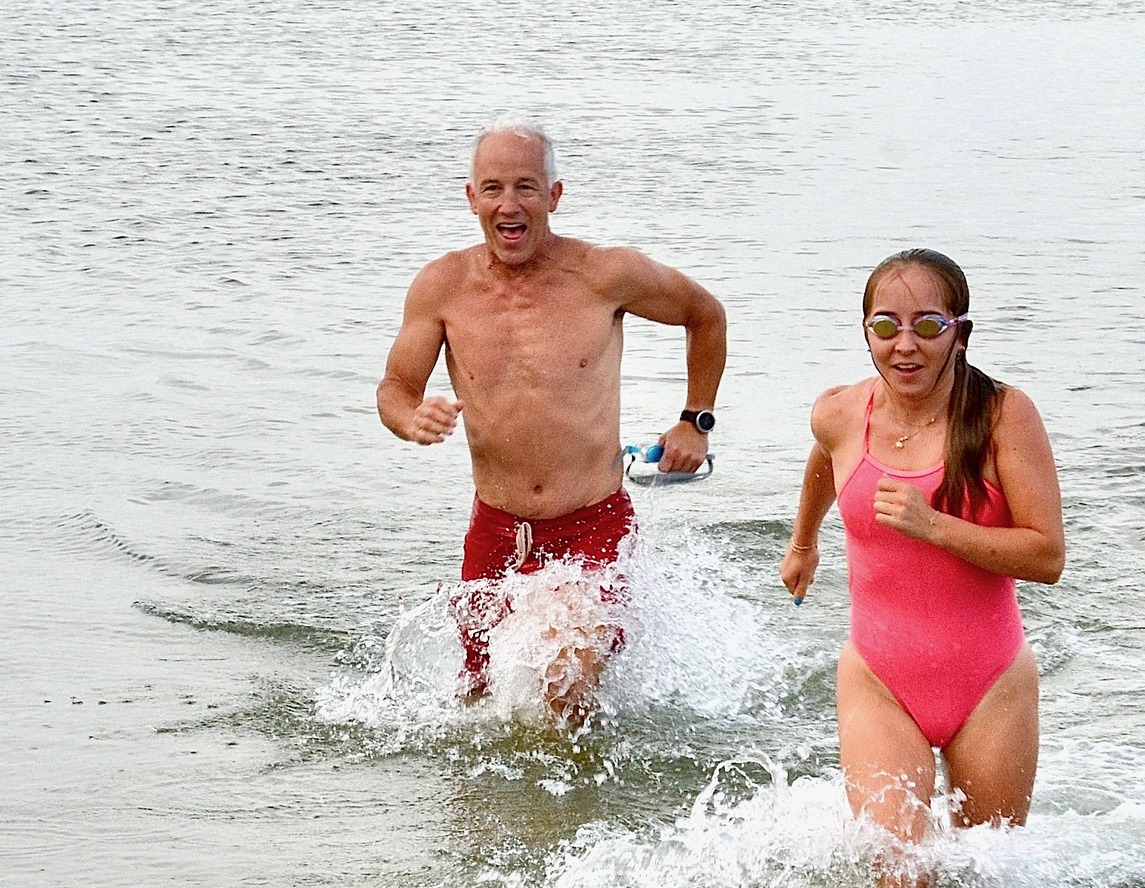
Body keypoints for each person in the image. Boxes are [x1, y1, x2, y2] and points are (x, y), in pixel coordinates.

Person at [377, 120, 727, 722]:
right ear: (470, 197)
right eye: (492, 189)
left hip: (591, 529)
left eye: (526, 188)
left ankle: (578, 813)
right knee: (480, 708)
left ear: (554, 195)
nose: (508, 206)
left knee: (562, 683)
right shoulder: (442, 287)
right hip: (494, 535)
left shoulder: (604, 275)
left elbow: (706, 314)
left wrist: (694, 421)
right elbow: (395, 388)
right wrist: (411, 419)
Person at [781, 249, 1064, 845]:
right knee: (896, 876)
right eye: (885, 326)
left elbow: (1047, 556)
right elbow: (823, 460)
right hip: (880, 678)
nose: (904, 345)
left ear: (960, 334)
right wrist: (803, 542)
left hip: (991, 684)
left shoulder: (1003, 417)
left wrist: (935, 526)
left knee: (989, 884)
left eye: (928, 326)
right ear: (866, 333)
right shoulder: (839, 411)